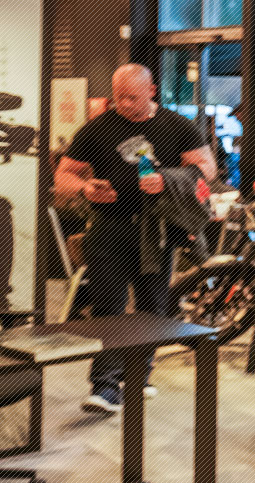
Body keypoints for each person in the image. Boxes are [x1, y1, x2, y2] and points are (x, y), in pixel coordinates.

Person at [54, 64, 216, 414]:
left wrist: (168, 178)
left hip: (155, 229)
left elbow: (207, 167)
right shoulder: (97, 128)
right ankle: (105, 386)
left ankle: (139, 376)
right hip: (108, 227)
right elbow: (63, 175)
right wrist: (85, 187)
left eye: (132, 97)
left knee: (152, 308)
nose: (125, 104)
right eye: (119, 98)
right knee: (107, 307)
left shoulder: (177, 125)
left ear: (152, 91)